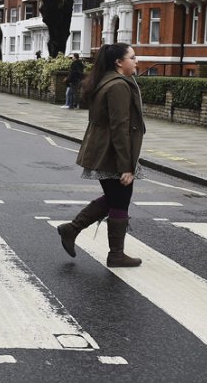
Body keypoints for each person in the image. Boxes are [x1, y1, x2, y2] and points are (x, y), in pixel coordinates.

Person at [57, 43, 145, 268]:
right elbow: (119, 126)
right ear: (119, 62)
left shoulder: (107, 80)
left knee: (114, 198)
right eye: (132, 58)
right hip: (112, 153)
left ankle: (72, 229)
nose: (137, 61)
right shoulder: (118, 86)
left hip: (104, 149)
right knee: (120, 200)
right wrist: (126, 166)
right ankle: (116, 254)